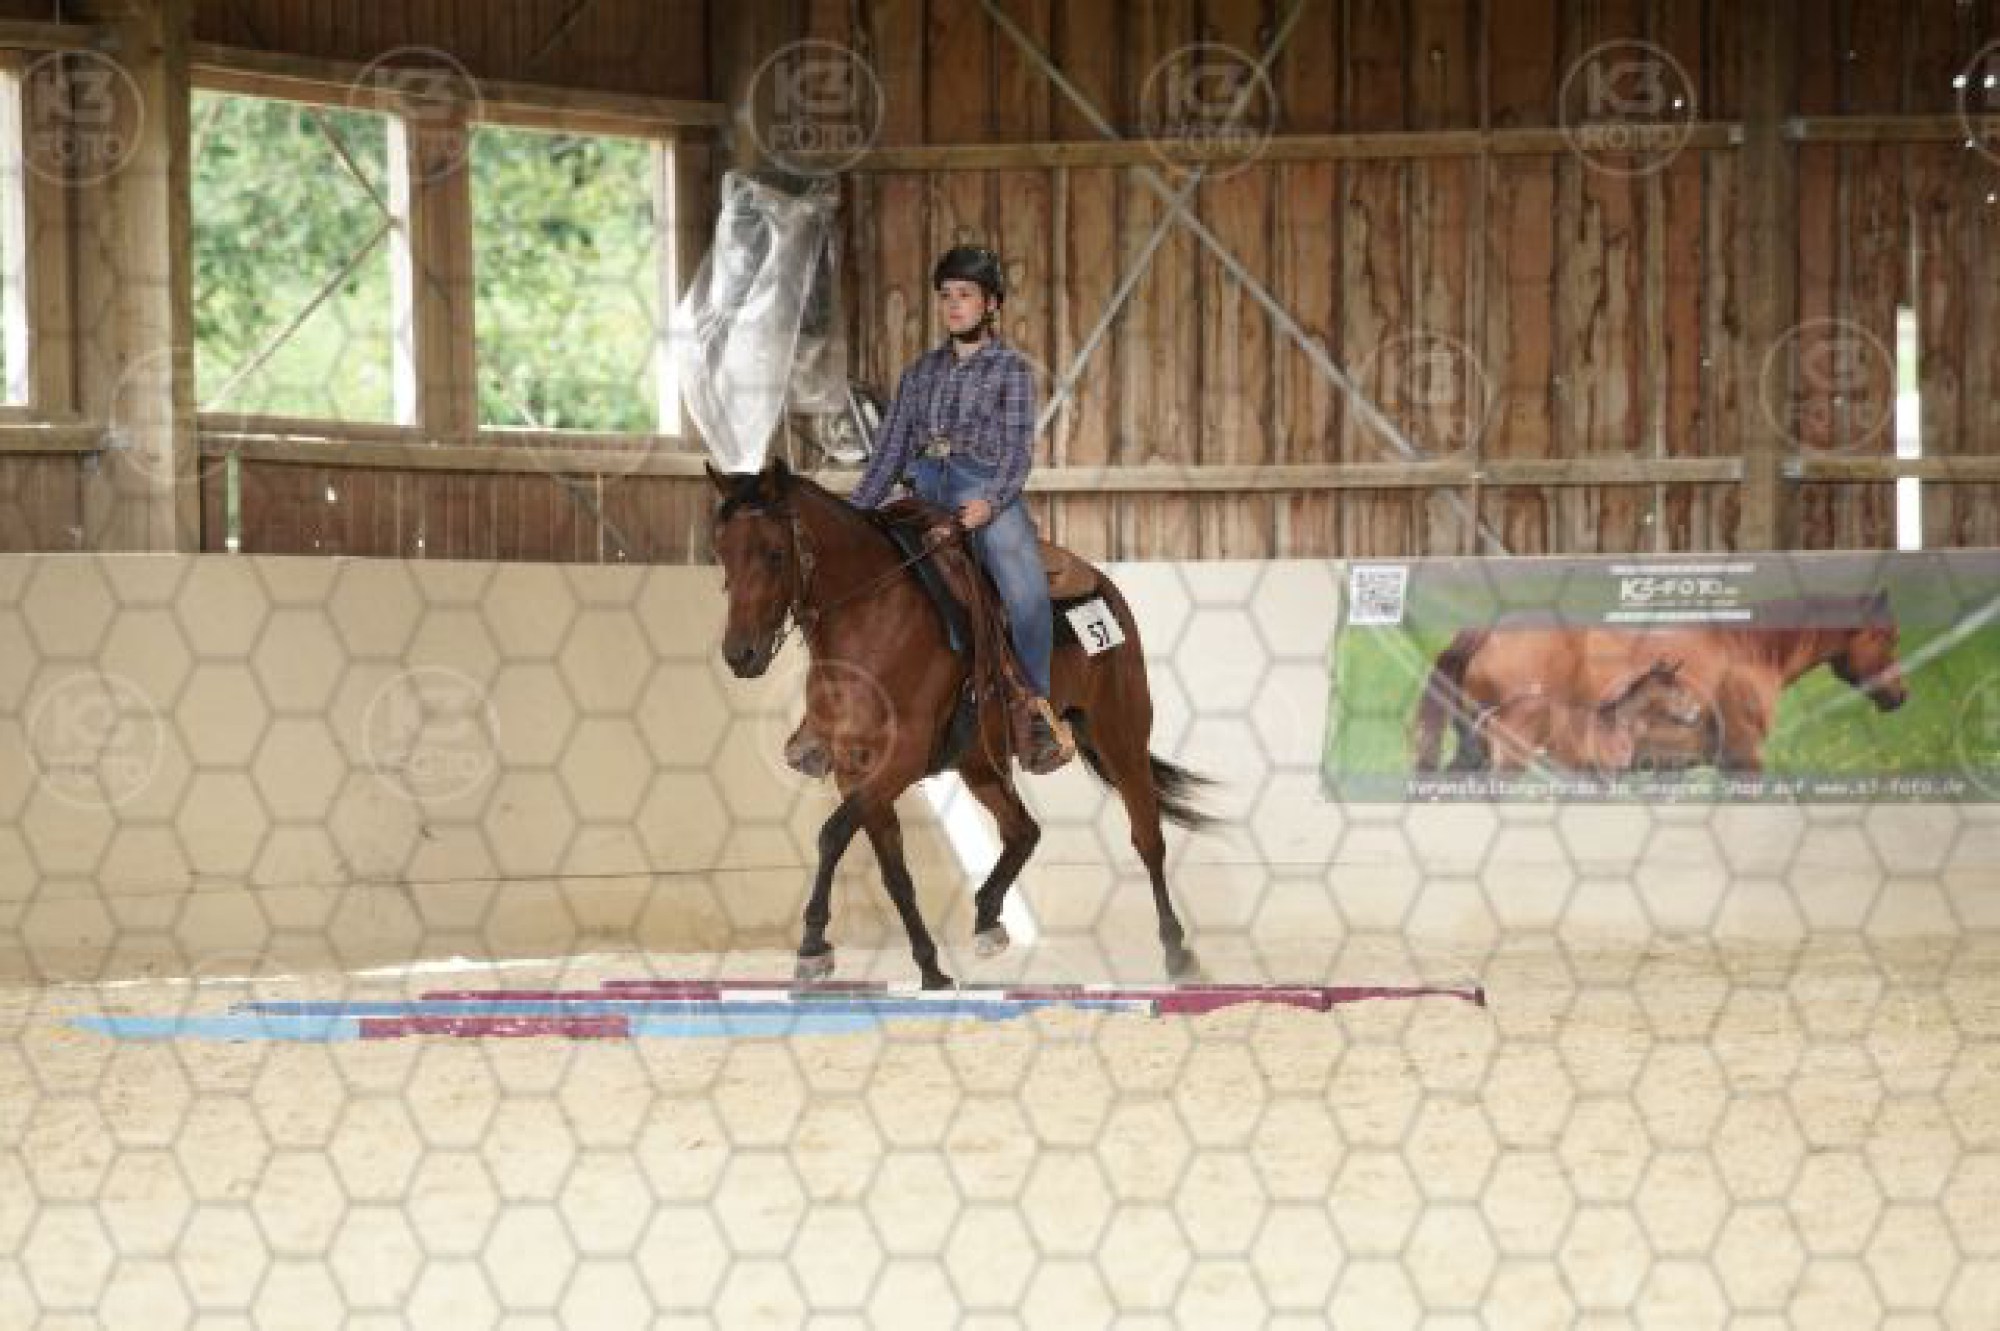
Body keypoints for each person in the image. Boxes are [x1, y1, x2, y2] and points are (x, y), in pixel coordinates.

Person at [847, 244, 1074, 773]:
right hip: (924, 484)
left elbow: (1017, 454)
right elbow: (889, 452)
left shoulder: (1011, 372)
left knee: (1024, 586)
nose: (953, 305)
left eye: (965, 295)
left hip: (983, 485)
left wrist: (989, 504)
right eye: (946, 295)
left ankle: (1034, 708)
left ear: (991, 304)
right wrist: (857, 512)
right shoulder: (918, 374)